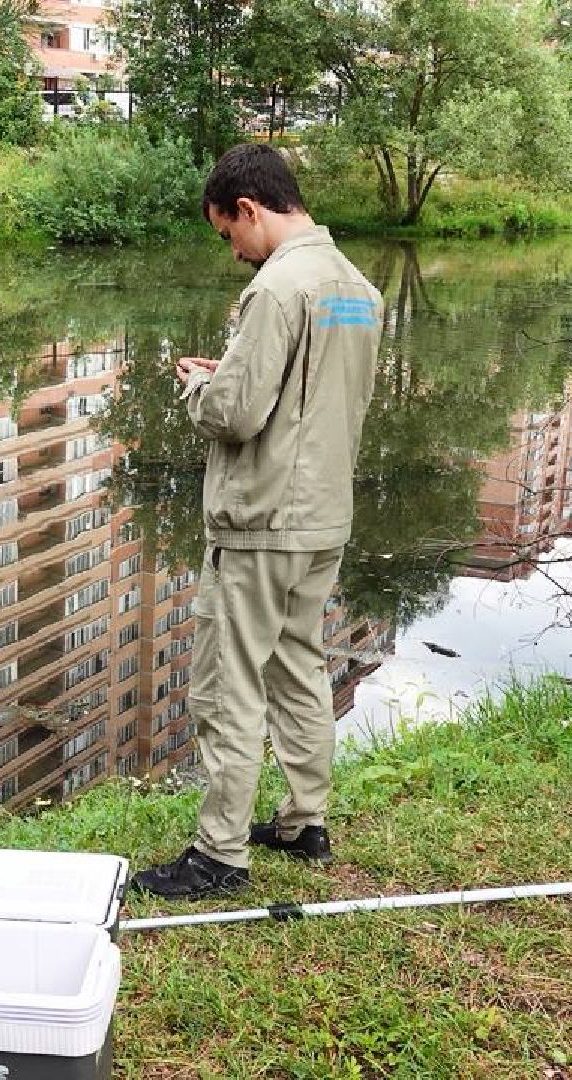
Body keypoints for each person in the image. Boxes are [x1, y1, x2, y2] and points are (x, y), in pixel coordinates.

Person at [131, 143, 384, 900]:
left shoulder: (277, 289)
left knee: (229, 685)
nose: (233, 252)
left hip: (263, 518)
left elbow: (237, 417)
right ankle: (305, 820)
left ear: (248, 208)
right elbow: (312, 393)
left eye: (227, 234)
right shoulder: (355, 288)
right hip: (323, 515)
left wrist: (197, 390)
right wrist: (232, 369)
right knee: (302, 665)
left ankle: (219, 855)